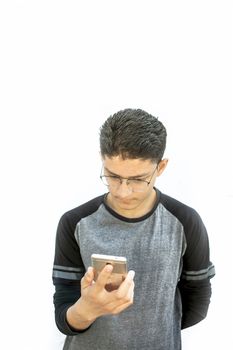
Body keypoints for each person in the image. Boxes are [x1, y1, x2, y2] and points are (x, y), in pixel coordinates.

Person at [52, 108, 215, 350]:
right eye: (112, 176)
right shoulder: (75, 222)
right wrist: (86, 311)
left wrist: (156, 329)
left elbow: (198, 296)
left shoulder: (185, 221)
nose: (122, 191)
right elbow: (64, 309)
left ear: (160, 167)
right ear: (102, 160)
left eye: (138, 180)